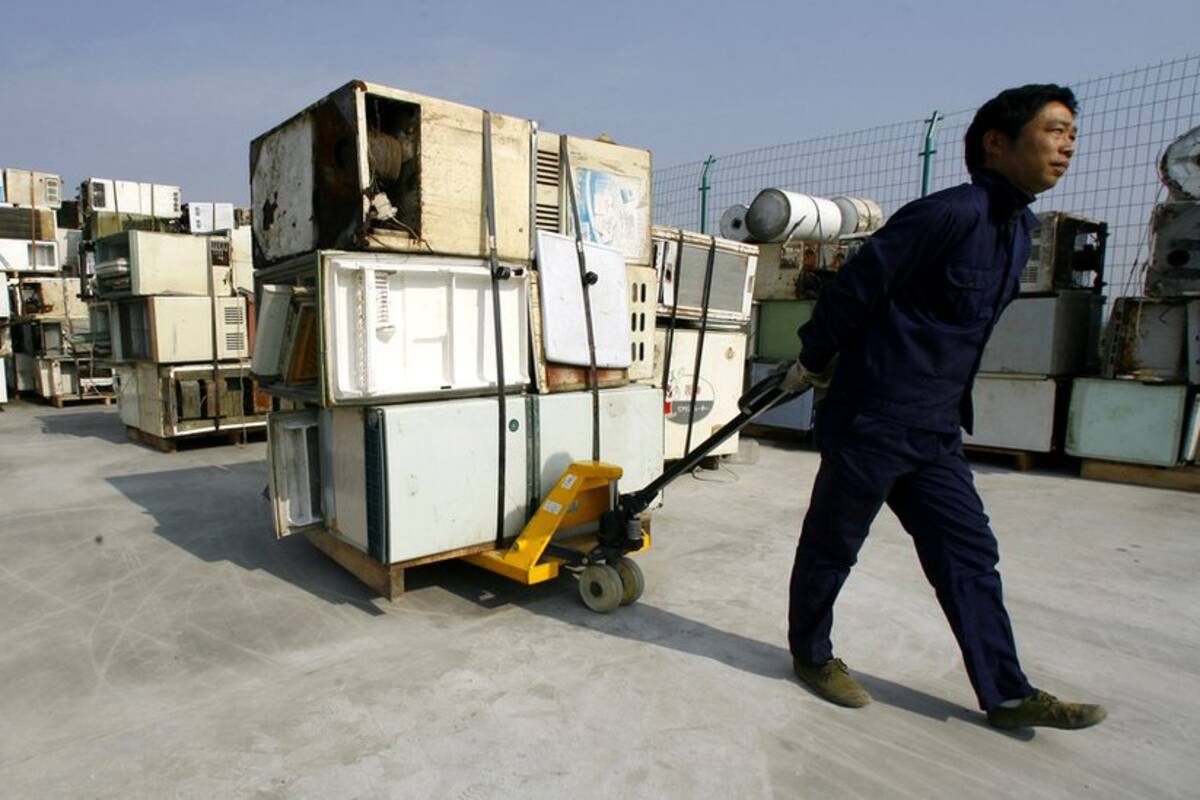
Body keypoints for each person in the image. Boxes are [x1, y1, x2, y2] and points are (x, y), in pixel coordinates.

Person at [780, 84, 1106, 730]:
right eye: (1054, 130)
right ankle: (812, 656)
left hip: (935, 429)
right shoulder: (945, 215)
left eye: (1072, 133)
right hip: (873, 417)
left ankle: (1007, 693)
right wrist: (814, 358)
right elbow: (853, 290)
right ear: (997, 142)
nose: (1068, 145)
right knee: (833, 545)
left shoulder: (1022, 232)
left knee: (968, 556)